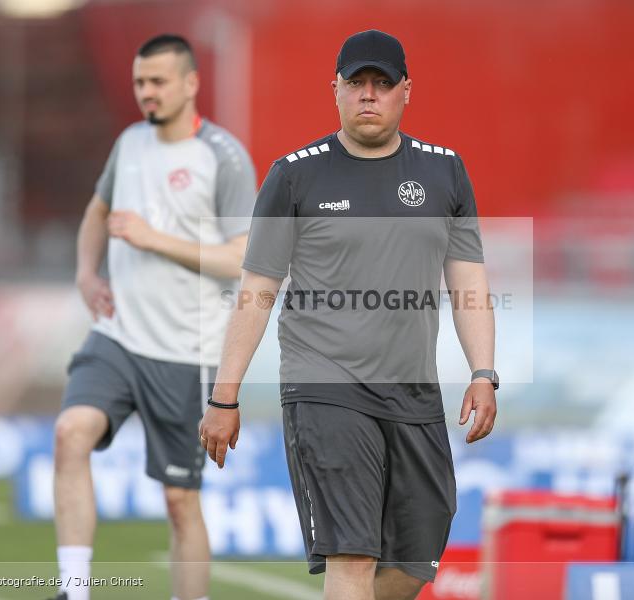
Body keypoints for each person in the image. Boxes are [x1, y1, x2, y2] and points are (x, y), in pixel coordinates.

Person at [199, 30, 498, 600]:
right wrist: (224, 395)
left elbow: (468, 281)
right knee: (354, 555)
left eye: (382, 84)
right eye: (356, 83)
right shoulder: (294, 175)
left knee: (415, 563)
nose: (368, 95)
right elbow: (257, 290)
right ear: (333, 90)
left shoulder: (445, 172)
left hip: (415, 395)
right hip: (326, 390)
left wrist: (483, 371)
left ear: (406, 92)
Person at [50, 35, 256, 600]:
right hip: (118, 337)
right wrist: (85, 274)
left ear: (190, 83)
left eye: (158, 81)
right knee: (71, 432)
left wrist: (153, 240)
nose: (147, 93)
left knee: (179, 501)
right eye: (140, 82)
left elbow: (242, 259)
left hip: (188, 354)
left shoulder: (224, 156)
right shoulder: (130, 142)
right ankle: (74, 590)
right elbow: (98, 208)